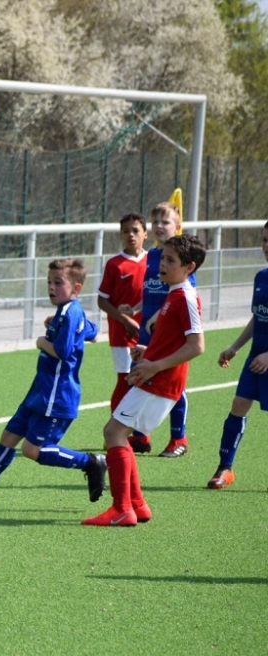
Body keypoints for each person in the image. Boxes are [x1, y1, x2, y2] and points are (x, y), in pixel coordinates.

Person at [0, 258, 106, 509]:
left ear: (76, 288)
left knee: (32, 450)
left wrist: (42, 341)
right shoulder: (67, 312)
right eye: (49, 282)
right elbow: (93, 333)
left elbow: (63, 352)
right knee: (8, 436)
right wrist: (59, 325)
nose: (51, 287)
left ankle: (91, 462)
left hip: (56, 396)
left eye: (58, 283)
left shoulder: (71, 313)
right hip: (39, 392)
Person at [83, 234, 206, 527]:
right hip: (154, 376)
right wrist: (148, 352)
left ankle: (122, 509)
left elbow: (196, 346)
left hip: (160, 381)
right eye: (162, 258)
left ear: (189, 267)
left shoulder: (186, 297)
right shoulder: (173, 293)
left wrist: (155, 365)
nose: (162, 264)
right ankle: (136, 505)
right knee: (118, 433)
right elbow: (173, 340)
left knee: (113, 433)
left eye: (171, 260)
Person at [123, 201, 195, 457]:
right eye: (155, 222)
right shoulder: (152, 255)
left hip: (169, 333)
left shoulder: (182, 259)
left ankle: (179, 438)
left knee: (172, 386)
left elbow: (185, 293)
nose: (159, 226)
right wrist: (135, 309)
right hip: (148, 330)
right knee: (138, 376)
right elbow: (151, 291)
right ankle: (141, 436)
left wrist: (158, 317)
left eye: (166, 222)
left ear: (178, 226)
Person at [209, 221, 268, 489]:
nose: (266, 246)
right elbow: (258, 317)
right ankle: (225, 467)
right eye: (264, 240)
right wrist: (235, 347)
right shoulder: (261, 277)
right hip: (256, 356)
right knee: (239, 404)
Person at [97, 213, 147, 416]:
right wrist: (125, 320)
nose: (131, 235)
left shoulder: (153, 261)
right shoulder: (114, 264)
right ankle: (116, 426)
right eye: (126, 231)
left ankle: (138, 428)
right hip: (122, 333)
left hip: (148, 331)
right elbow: (102, 300)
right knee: (125, 378)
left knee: (145, 378)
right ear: (120, 235)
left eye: (135, 230)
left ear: (145, 234)